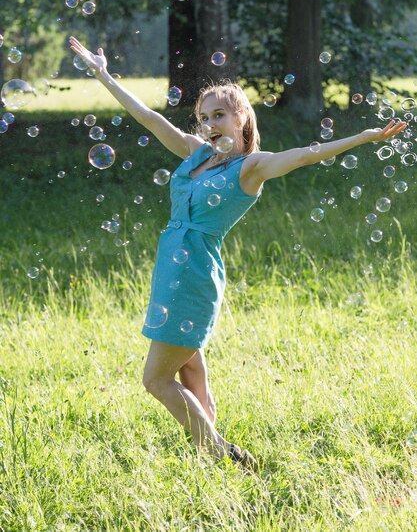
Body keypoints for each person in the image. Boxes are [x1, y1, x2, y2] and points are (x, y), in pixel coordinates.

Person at [69, 36, 406, 471]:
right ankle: (210, 459)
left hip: (193, 275)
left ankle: (220, 453)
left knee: (155, 380)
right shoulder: (196, 155)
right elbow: (151, 118)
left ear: (241, 117)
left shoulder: (251, 167)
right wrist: (103, 74)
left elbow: (304, 156)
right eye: (203, 117)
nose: (210, 124)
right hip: (171, 267)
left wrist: (361, 137)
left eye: (219, 115)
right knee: (189, 369)